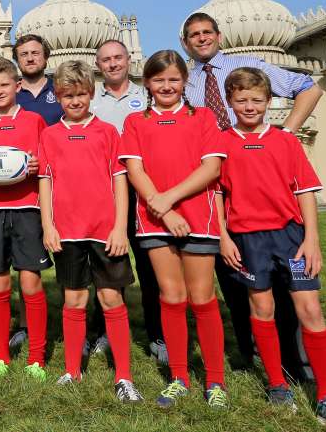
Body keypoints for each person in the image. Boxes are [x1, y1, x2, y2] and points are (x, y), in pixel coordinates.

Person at [182, 11, 320, 376]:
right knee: (234, 276)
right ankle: (251, 352)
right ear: (185, 43)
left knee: (286, 286)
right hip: (220, 180)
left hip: (265, 187)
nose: (201, 39)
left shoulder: (247, 65)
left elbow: (309, 88)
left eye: (207, 32)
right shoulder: (185, 83)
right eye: (193, 35)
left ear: (219, 36)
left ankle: (293, 355)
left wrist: (285, 133)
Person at [218, 68, 326, 426]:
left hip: (290, 238)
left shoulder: (285, 141)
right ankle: (277, 384)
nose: (249, 106)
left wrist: (311, 240)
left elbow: (304, 191)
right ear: (230, 102)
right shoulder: (222, 143)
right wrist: (224, 237)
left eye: (256, 100)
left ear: (269, 102)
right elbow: (216, 194)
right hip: (247, 239)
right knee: (262, 307)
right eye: (242, 100)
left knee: (309, 309)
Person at [120, 50, 229, 410]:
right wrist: (164, 212)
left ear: (184, 81)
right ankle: (179, 377)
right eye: (158, 80)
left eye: (173, 79)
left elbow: (211, 168)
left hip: (198, 218)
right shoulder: (136, 122)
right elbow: (136, 172)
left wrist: (168, 200)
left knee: (202, 297)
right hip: (154, 221)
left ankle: (214, 380)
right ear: (147, 83)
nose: (166, 86)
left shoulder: (204, 118)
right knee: (171, 296)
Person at [37, 61, 141, 401]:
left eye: (81, 94)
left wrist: (120, 228)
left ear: (91, 93)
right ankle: (72, 370)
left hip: (104, 231)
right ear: (58, 97)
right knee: (74, 299)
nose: (75, 101)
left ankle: (124, 377)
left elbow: (119, 180)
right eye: (68, 96)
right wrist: (48, 225)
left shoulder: (108, 132)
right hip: (67, 232)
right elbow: (46, 182)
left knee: (110, 298)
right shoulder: (49, 135)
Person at [0, 58, 49, 380]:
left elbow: (45, 165)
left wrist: (36, 166)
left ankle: (36, 358)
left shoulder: (34, 121)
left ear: (17, 86)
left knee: (30, 284)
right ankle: (2, 355)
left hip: (28, 208)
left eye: (5, 85)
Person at [90, 39, 165, 365]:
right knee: (105, 268)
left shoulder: (145, 97)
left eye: (118, 57)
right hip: (106, 194)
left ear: (128, 59)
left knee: (150, 267)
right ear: (99, 65)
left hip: (144, 190)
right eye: (106, 60)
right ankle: (102, 331)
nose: (113, 64)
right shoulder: (91, 100)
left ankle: (157, 334)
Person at [13, 33, 63, 124]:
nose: (30, 59)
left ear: (45, 58)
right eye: (24, 54)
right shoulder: (9, 95)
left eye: (35, 53)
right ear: (17, 61)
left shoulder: (62, 90)